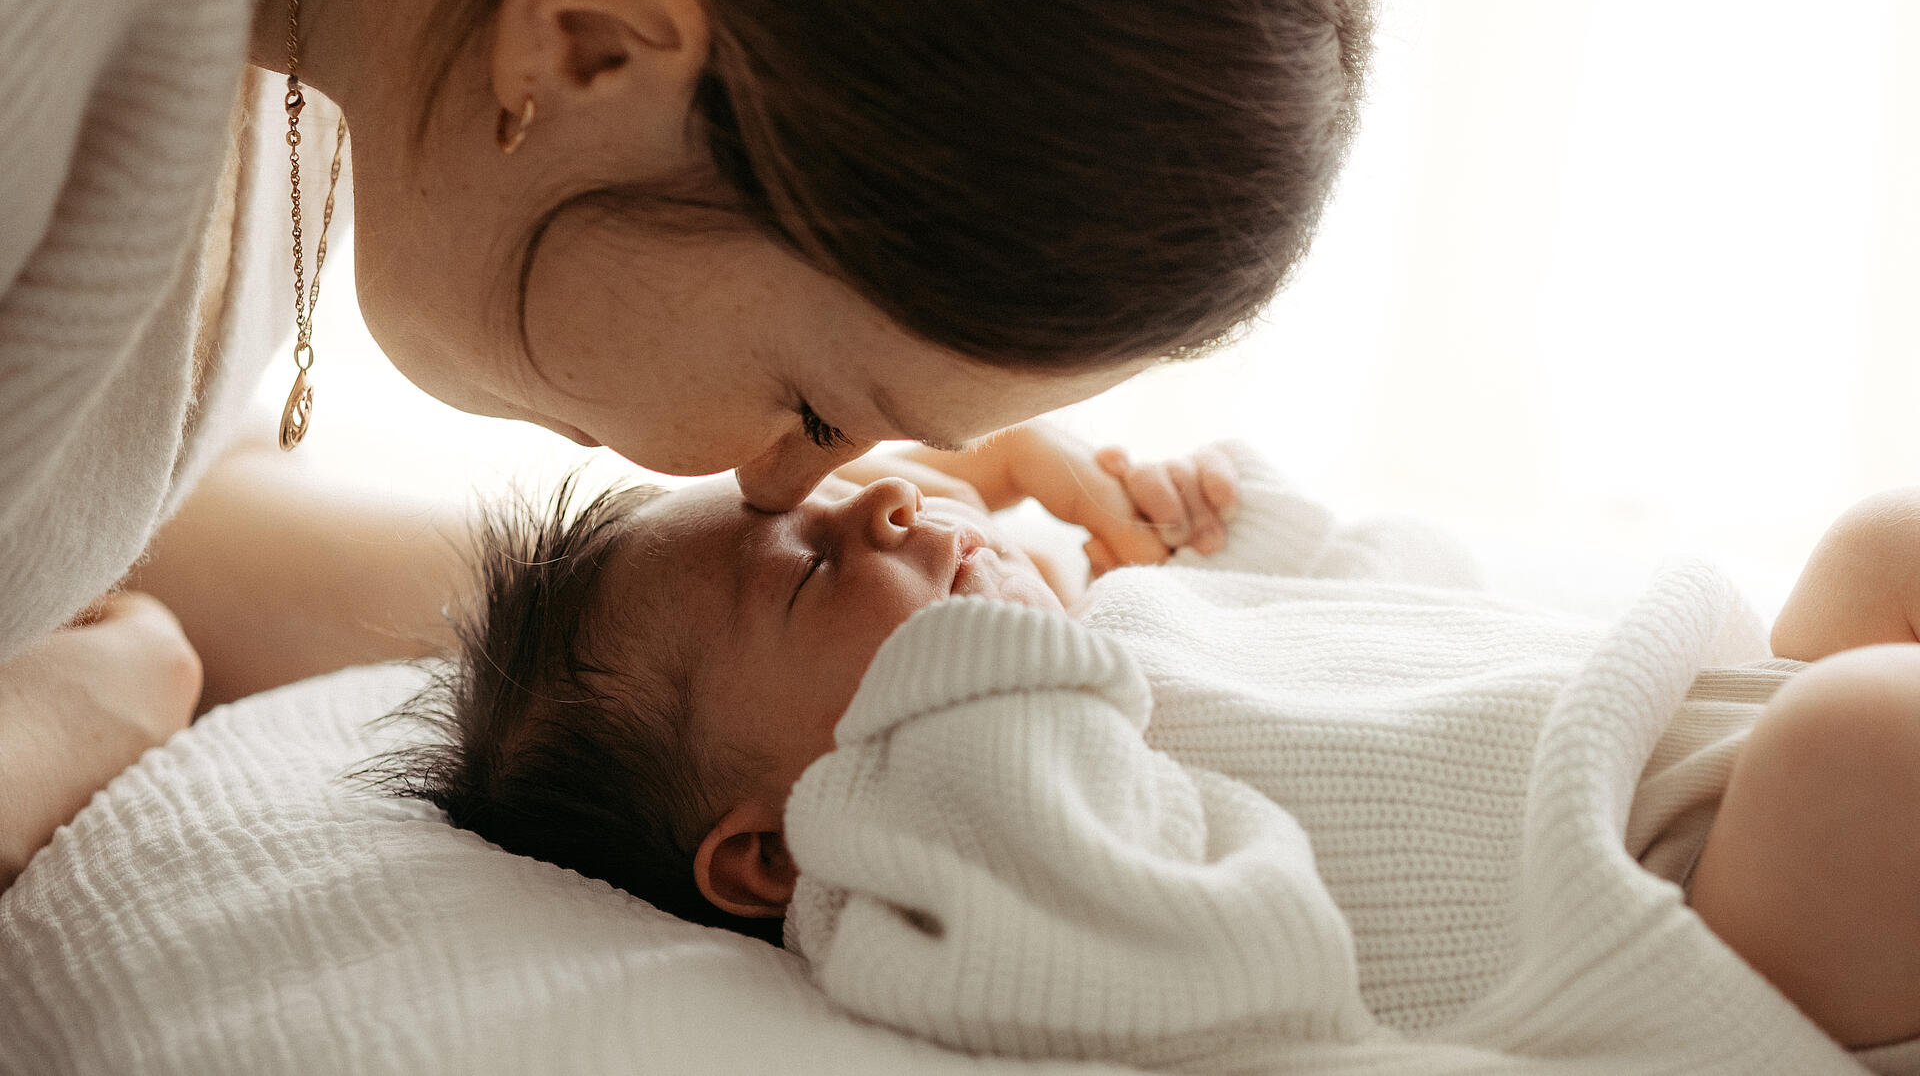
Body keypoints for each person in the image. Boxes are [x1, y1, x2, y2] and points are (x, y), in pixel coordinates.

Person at [0, 0, 1375, 886]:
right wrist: (62, 727)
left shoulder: (318, 75)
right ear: (592, 39)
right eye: (822, 414)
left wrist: (771, 635)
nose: (780, 479)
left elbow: (88, 487)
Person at [379, 429, 1920, 1074]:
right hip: (1676, 916)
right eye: (810, 566)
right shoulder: (929, 864)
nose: (895, 503)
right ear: (770, 847)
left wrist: (1249, 533)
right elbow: (1202, 950)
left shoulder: (1110, 622)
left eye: (859, 482)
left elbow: (1424, 618)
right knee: (1863, 744)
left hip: (1676, 715)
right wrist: (984, 672)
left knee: (1874, 555)